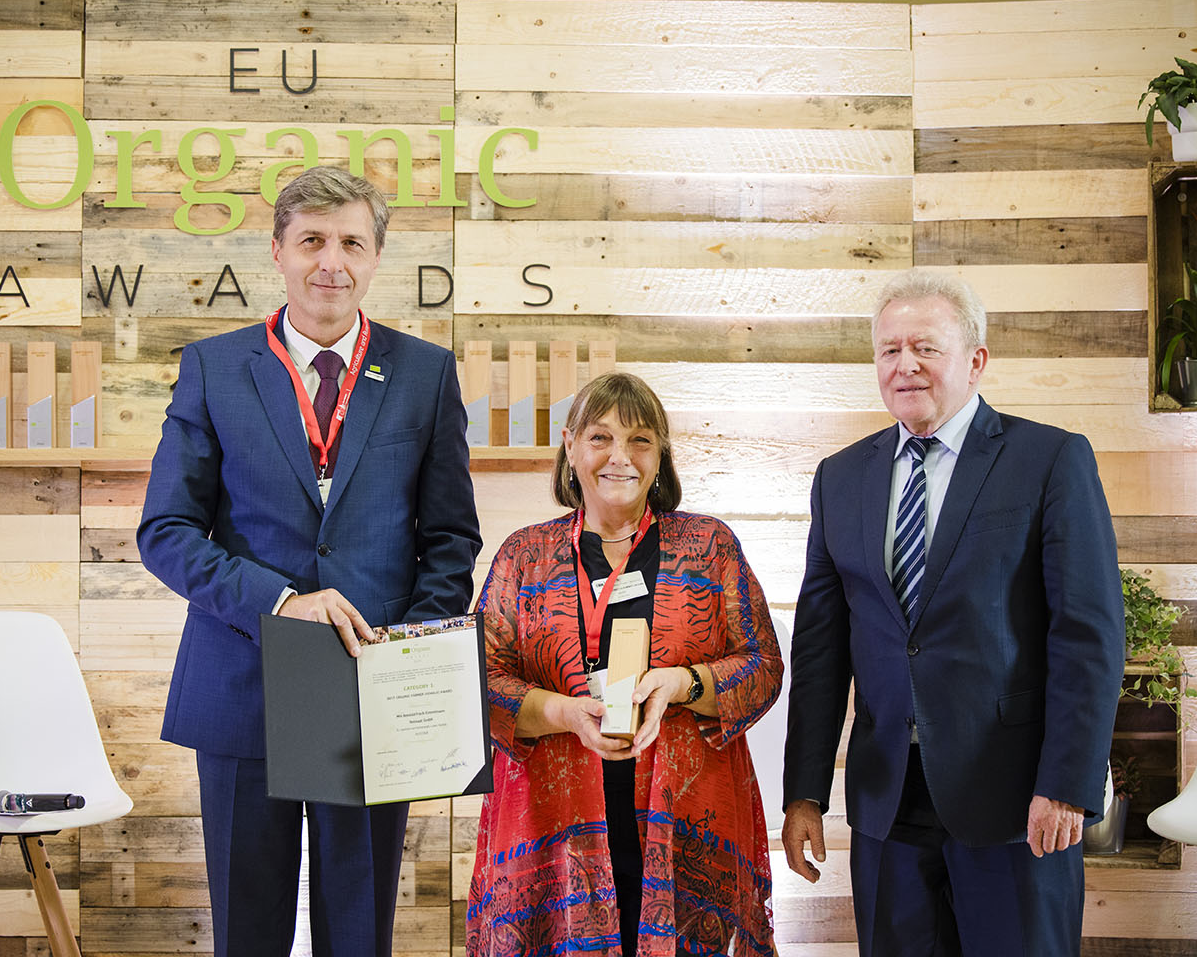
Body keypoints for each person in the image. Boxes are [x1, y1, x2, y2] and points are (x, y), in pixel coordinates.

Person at [137, 165, 482, 957]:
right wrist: (283, 602)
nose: (332, 261)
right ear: (279, 252)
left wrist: (411, 656)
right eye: (313, 241)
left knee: (359, 934)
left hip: (374, 694)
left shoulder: (425, 375)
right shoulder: (214, 369)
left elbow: (451, 538)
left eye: (352, 243)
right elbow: (167, 530)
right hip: (242, 682)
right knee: (247, 931)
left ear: (375, 258)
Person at [781, 269, 1125, 956]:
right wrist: (805, 792)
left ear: (975, 360)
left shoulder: (1050, 459)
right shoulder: (839, 478)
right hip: (887, 802)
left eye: (926, 348)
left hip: (1017, 801)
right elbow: (821, 648)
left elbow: (1088, 635)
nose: (904, 365)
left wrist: (1066, 784)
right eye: (888, 350)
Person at [467, 372, 783, 957]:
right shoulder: (523, 555)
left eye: (640, 440)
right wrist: (564, 711)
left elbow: (763, 665)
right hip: (552, 824)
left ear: (661, 454)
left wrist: (682, 684)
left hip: (686, 821)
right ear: (570, 445)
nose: (621, 457)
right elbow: (478, 680)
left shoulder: (710, 547)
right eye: (600, 438)